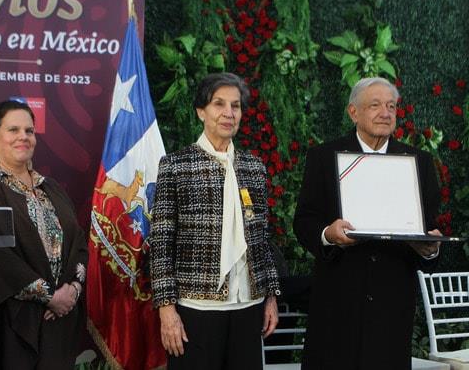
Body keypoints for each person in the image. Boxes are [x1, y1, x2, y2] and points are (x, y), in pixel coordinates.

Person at [293, 77, 442, 369]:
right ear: (353, 112)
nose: (385, 113)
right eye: (375, 105)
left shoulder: (418, 161)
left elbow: (428, 226)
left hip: (392, 302)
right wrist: (328, 234)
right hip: (337, 299)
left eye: (391, 106)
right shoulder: (324, 157)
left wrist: (429, 248)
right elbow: (304, 221)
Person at [150, 72, 281, 370]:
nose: (228, 113)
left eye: (235, 106)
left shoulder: (253, 166)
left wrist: (271, 296)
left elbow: (262, 238)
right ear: (201, 111)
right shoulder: (176, 165)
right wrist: (166, 310)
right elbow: (160, 244)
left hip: (248, 307)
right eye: (219, 104)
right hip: (196, 310)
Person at [0, 100, 88, 369]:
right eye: (13, 130)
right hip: (12, 327)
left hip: (59, 323)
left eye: (29, 131)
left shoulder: (50, 187)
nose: (23, 137)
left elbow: (78, 242)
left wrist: (72, 291)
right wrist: (48, 296)